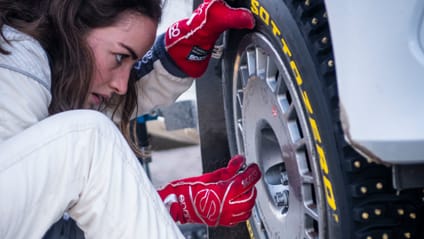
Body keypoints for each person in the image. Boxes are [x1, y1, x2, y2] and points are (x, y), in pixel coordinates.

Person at [0, 0, 262, 238]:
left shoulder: (43, 58)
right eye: (120, 57)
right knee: (91, 140)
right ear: (73, 25)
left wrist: (174, 58)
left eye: (131, 62)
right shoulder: (18, 70)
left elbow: (78, 106)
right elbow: (46, 231)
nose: (122, 86)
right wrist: (169, 204)